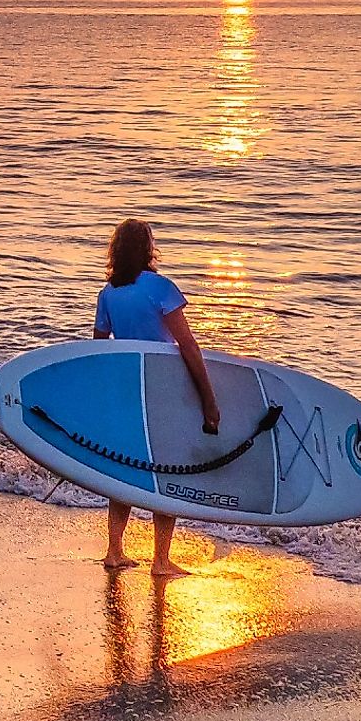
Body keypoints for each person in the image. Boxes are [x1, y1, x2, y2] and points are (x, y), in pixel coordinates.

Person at [92, 219, 222, 579]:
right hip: (163, 391)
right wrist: (208, 400)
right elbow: (189, 347)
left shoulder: (108, 293)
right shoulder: (161, 288)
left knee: (125, 467)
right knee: (165, 467)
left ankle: (115, 550)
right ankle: (161, 560)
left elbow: (98, 350)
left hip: (125, 391)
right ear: (148, 248)